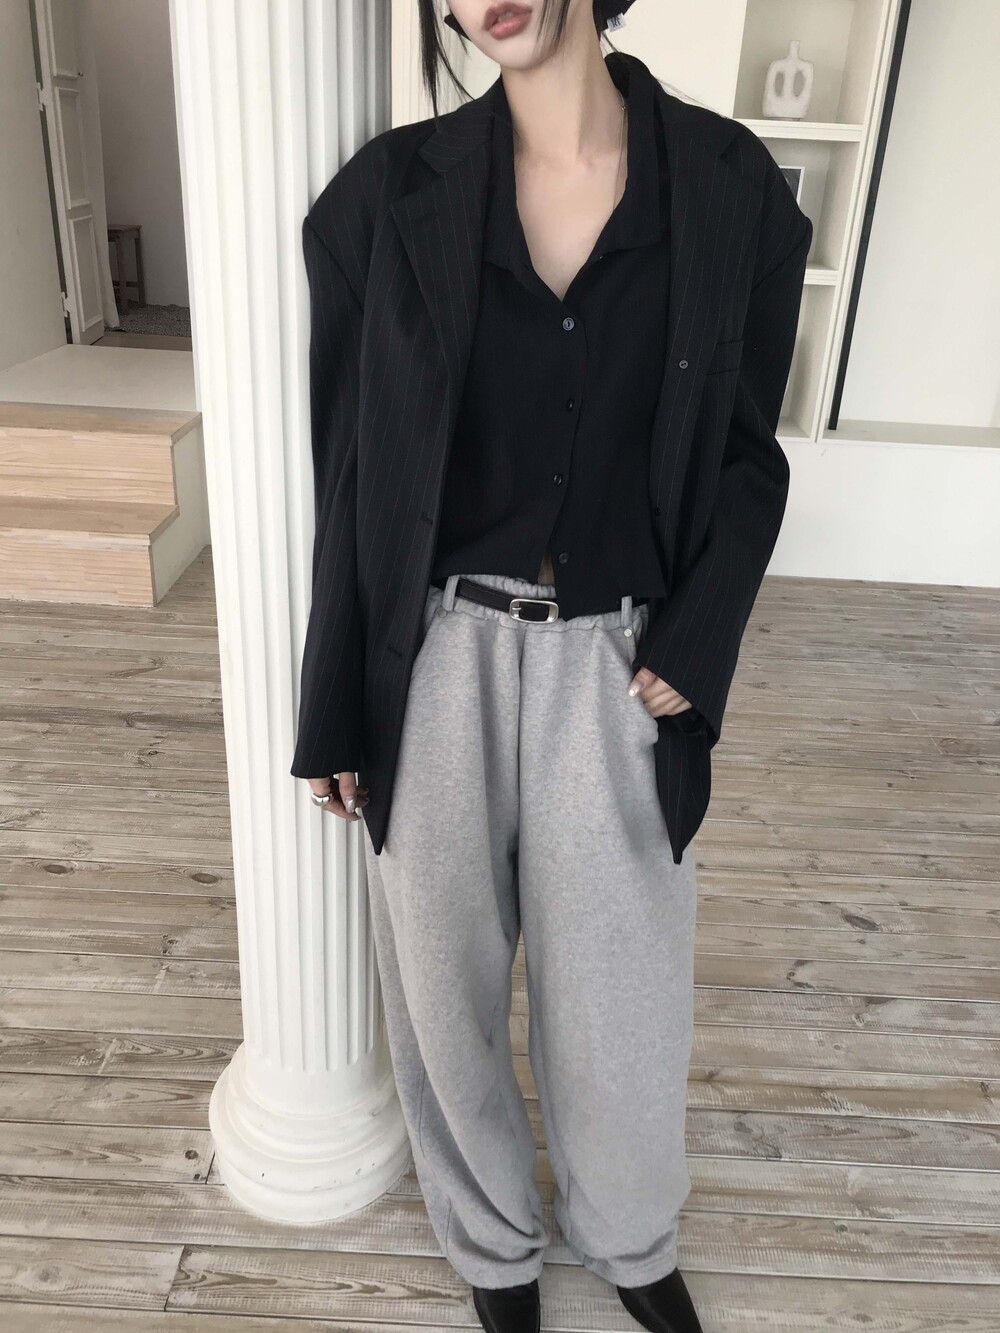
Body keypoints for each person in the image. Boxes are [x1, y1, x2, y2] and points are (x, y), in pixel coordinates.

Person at [290, 2, 811, 1330]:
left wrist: (698, 641)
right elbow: (350, 475)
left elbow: (749, 453)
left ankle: (629, 1236)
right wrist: (335, 699)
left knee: (623, 992)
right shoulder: (381, 203)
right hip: (436, 657)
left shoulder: (730, 188)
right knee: (441, 989)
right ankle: (493, 1250)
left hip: (617, 664)